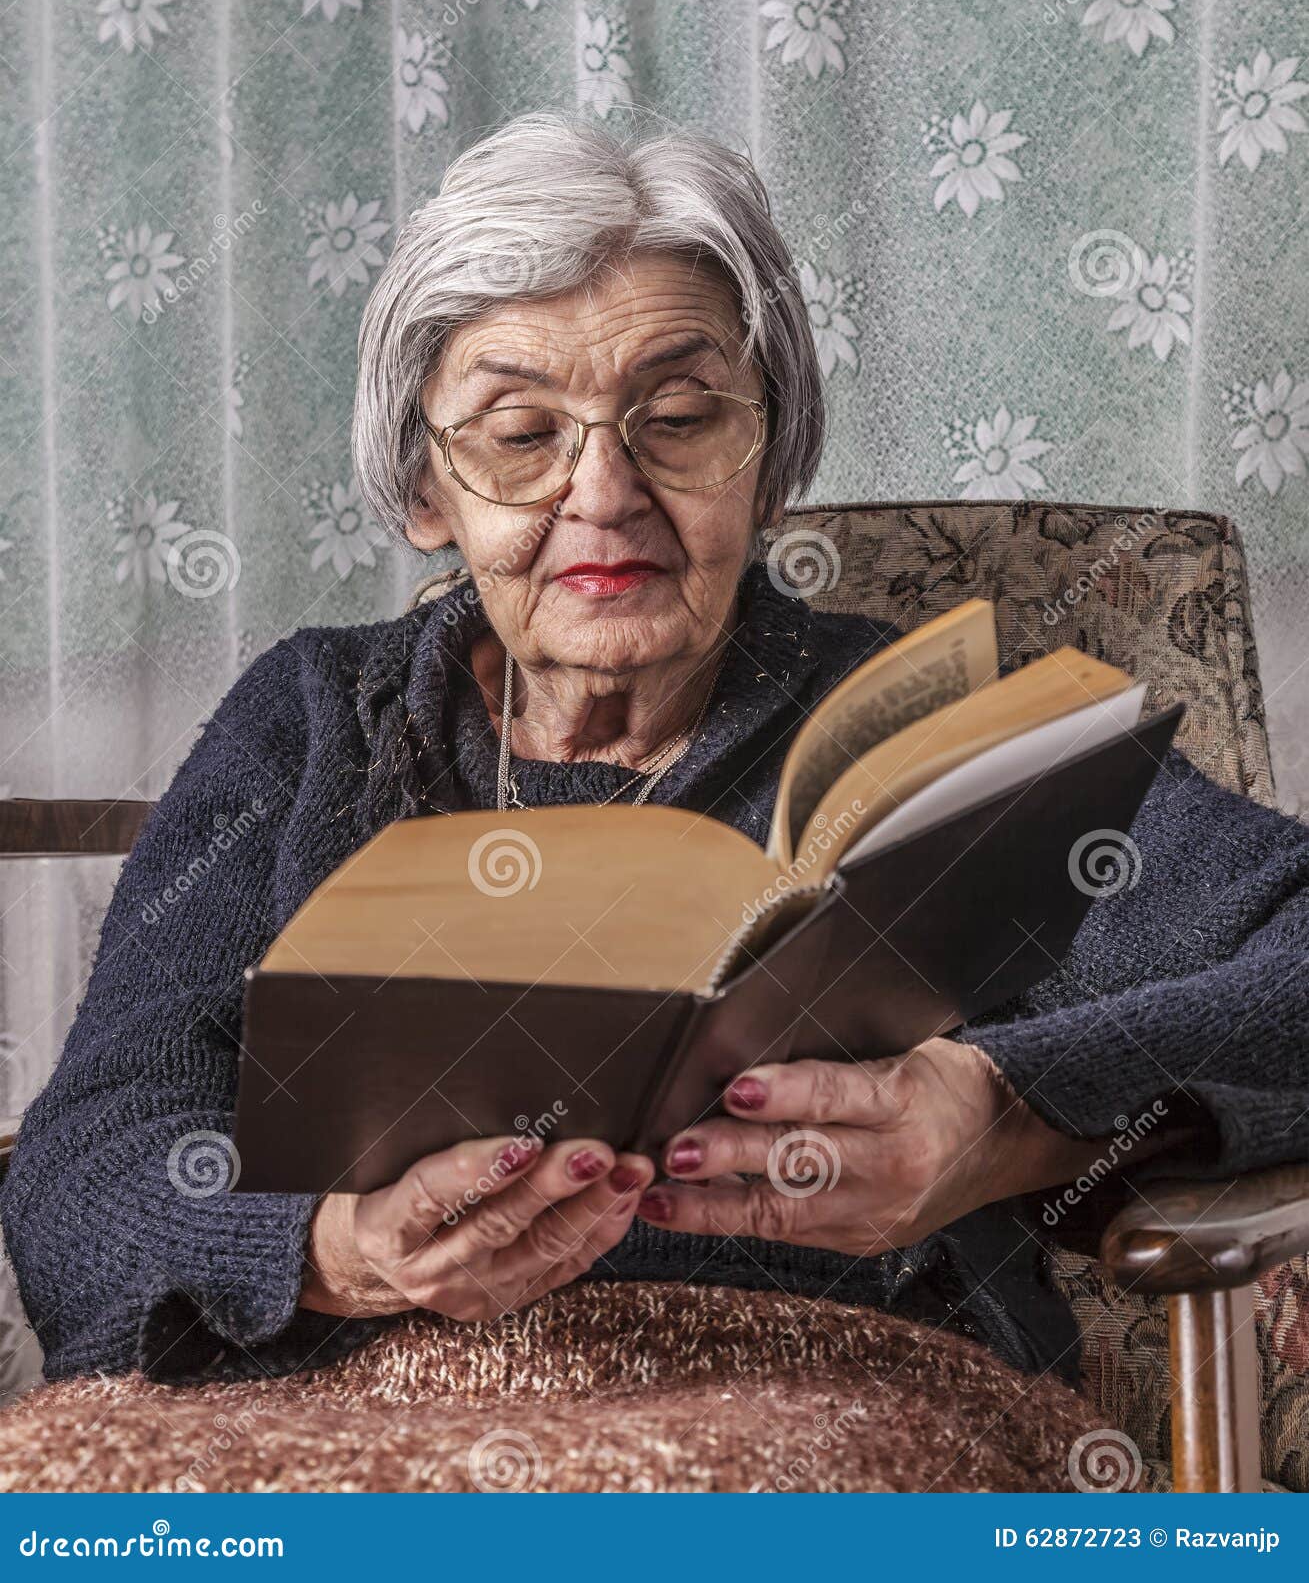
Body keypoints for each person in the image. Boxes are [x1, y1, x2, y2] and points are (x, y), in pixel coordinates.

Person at [4, 114, 1305, 1390]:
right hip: (327, 1411)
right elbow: (90, 1156)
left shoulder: (942, 736)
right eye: (520, 434)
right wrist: (333, 1250)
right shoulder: (311, 721)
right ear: (422, 488)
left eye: (678, 416)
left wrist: (1005, 1116)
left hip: (816, 1412)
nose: (604, 492)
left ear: (769, 459)